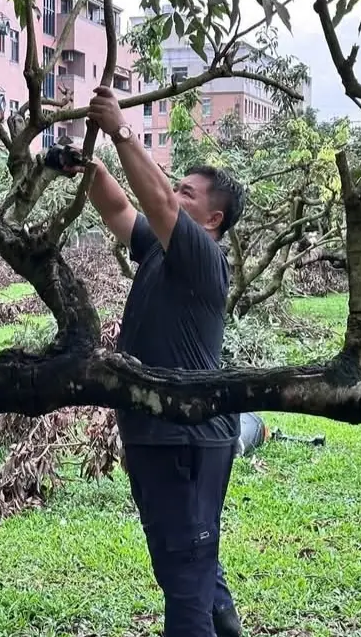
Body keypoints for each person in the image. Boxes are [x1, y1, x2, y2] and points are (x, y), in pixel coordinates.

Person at [70, 86, 246, 637]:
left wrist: (123, 130)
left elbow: (158, 205)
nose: (175, 194)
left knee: (183, 574)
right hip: (154, 434)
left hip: (186, 440)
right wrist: (89, 165)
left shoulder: (201, 255)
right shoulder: (161, 249)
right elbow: (122, 208)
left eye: (188, 193)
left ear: (212, 218)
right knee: (188, 562)